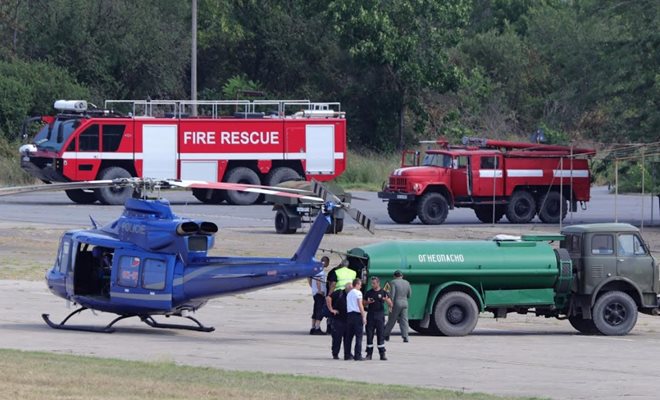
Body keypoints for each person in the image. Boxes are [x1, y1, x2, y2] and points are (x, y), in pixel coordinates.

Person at [364, 276, 392, 360]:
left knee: (380, 335)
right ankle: (369, 354)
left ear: (378, 283)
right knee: (369, 335)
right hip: (371, 315)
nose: (372, 285)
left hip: (380, 315)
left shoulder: (384, 292)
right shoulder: (369, 293)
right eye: (371, 283)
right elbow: (363, 303)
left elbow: (391, 304)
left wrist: (386, 300)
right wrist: (368, 302)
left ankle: (382, 354)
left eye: (374, 283)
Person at [384, 270, 412, 342]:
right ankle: (405, 337)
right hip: (405, 303)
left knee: (392, 320)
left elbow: (392, 294)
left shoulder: (393, 282)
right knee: (404, 320)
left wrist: (390, 304)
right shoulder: (407, 282)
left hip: (396, 303)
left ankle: (385, 335)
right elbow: (409, 295)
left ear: (394, 276)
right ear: (402, 276)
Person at [326, 282, 351, 360]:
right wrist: (331, 309)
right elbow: (328, 298)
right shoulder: (339, 293)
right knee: (337, 338)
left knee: (348, 338)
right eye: (350, 289)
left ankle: (347, 354)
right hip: (338, 319)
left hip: (348, 320)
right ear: (346, 289)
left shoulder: (352, 294)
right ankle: (335, 353)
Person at [344, 278, 366, 361]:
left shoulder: (349, 293)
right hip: (357, 315)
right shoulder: (358, 293)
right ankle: (358, 355)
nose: (361, 286)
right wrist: (363, 316)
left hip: (349, 315)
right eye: (360, 285)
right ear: (356, 284)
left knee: (349, 336)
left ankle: (347, 354)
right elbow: (360, 305)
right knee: (358, 337)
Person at [308, 256, 329, 335]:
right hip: (319, 293)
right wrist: (320, 291)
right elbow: (318, 281)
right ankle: (317, 328)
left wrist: (312, 287)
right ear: (325, 262)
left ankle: (313, 327)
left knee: (315, 309)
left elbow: (309, 278)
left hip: (315, 292)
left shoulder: (314, 270)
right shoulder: (320, 271)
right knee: (319, 310)